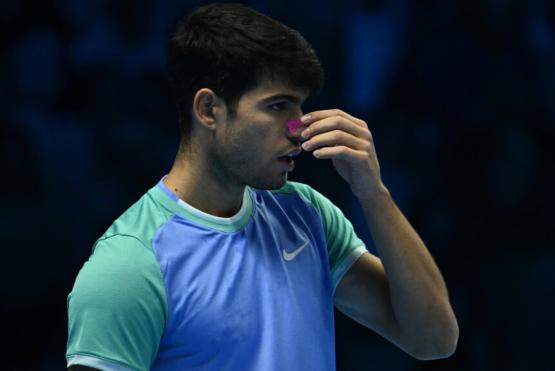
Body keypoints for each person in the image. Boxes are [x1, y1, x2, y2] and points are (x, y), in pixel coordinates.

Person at [65, 3, 459, 370]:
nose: (299, 130)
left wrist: (373, 192)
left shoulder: (307, 214)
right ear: (208, 110)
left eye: (301, 107)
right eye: (278, 106)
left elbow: (433, 339)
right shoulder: (129, 265)